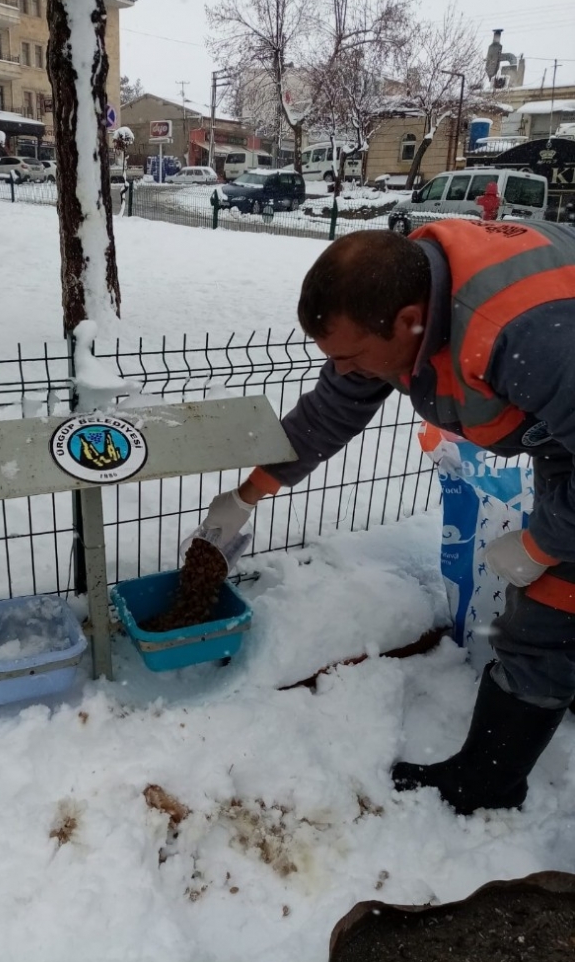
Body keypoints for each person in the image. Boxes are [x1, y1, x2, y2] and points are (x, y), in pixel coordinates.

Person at [202, 219, 575, 816]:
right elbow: (331, 410)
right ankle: (497, 771)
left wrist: (542, 543)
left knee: (546, 617)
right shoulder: (407, 299)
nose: (345, 369)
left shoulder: (526, 336)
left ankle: (487, 786)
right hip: (566, 440)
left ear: (407, 320)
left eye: (350, 356)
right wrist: (248, 495)